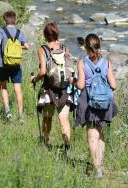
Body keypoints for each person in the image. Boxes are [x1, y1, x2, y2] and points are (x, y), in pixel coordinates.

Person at [75, 34, 118, 179]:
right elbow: (114, 85)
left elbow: (80, 85)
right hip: (105, 102)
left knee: (92, 135)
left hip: (89, 101)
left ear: (86, 47)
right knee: (100, 132)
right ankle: (100, 164)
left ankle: (97, 169)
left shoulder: (82, 62)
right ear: (99, 45)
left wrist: (73, 81)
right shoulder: (107, 62)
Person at [31, 22, 73, 151]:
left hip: (49, 89)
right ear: (57, 34)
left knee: (47, 117)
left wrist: (34, 79)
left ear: (45, 35)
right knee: (64, 118)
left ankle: (45, 141)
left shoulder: (42, 49)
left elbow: (43, 71)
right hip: (64, 89)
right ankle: (67, 145)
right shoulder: (65, 49)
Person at [0, 11, 29, 122]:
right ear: (15, 21)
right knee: (18, 89)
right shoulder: (20, 33)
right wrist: (19, 47)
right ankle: (20, 114)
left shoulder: (2, 31)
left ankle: (7, 111)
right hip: (16, 64)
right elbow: (27, 46)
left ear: (5, 21)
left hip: (4, 64)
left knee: (3, 86)